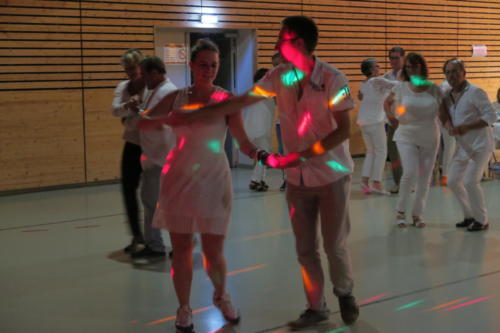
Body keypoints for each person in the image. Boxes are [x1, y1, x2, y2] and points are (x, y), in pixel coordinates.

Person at [166, 16, 360, 329]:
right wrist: (204, 108)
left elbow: (343, 131)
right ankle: (316, 307)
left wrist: (302, 155)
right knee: (305, 249)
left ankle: (344, 291)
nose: (274, 44)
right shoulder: (278, 75)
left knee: (334, 245)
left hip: (331, 175)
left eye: (280, 38)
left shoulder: (332, 78)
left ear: (297, 44)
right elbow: (245, 99)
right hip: (296, 180)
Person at [139, 39, 259, 333]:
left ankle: (222, 296)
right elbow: (144, 123)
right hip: (178, 178)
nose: (208, 70)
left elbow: (242, 141)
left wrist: (265, 155)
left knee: (213, 249)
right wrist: (142, 109)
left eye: (214, 65)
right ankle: (183, 307)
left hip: (213, 179)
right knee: (181, 249)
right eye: (203, 64)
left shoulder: (226, 100)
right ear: (191, 65)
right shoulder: (176, 97)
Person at [384, 52, 448, 228]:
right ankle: (400, 212)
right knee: (410, 172)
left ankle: (417, 214)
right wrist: (390, 117)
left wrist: (455, 130)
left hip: (429, 134)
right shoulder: (401, 87)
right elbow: (387, 102)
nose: (411, 69)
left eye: (415, 66)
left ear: (422, 66)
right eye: (408, 67)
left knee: (425, 177)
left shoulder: (434, 88)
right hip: (406, 133)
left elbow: (443, 114)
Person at [130, 56, 177, 260]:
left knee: (153, 202)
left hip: (161, 157)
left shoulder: (165, 92)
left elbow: (158, 122)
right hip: (157, 156)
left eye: (145, 74)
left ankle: (157, 245)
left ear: (156, 72)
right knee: (158, 202)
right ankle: (172, 243)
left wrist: (138, 114)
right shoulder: (157, 91)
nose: (143, 80)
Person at [443, 59, 497, 231]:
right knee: (452, 180)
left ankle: (482, 220)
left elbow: (491, 117)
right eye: (449, 72)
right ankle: (469, 215)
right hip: (463, 147)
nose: (452, 75)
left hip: (480, 146)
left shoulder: (476, 92)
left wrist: (467, 126)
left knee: (470, 181)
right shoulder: (448, 95)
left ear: (464, 73)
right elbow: (442, 113)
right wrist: (449, 125)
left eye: (456, 71)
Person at [111, 49, 146, 253]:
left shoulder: (153, 88)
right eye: (127, 70)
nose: (130, 74)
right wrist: (128, 108)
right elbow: (115, 110)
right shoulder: (124, 87)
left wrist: (131, 118)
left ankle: (173, 237)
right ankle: (137, 236)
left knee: (155, 195)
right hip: (132, 145)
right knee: (128, 190)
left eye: (133, 69)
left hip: (153, 146)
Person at [357, 58, 395, 195]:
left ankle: (365, 182)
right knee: (381, 153)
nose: (379, 68)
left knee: (371, 152)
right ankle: (377, 183)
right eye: (377, 66)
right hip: (375, 122)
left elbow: (362, 97)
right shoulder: (377, 81)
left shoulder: (364, 83)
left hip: (364, 123)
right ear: (372, 70)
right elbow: (396, 85)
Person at [244, 68, 275, 192]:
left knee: (263, 156)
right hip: (259, 129)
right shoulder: (260, 89)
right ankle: (255, 180)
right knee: (264, 155)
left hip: (262, 128)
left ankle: (260, 179)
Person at [383, 46, 405, 194]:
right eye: (391, 58)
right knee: (394, 154)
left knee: (410, 154)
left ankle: (412, 182)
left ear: (403, 58)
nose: (393, 61)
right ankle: (399, 183)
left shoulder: (410, 76)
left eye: (396, 58)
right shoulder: (386, 77)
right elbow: (382, 99)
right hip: (392, 121)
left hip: (408, 121)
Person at [272, 52, 287, 191]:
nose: (276, 68)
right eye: (274, 66)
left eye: (278, 65)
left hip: (294, 123)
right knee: (283, 152)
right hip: (280, 122)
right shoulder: (275, 81)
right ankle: (286, 180)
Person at [438, 80, 456, 185]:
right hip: (447, 123)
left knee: (454, 149)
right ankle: (445, 175)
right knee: (449, 148)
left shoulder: (463, 87)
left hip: (458, 122)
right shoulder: (444, 87)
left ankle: (451, 173)